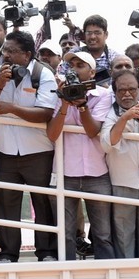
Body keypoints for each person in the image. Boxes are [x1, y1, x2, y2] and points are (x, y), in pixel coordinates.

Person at [0, 30, 60, 263]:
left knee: (42, 203)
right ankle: (7, 253)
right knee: (6, 203)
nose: (7, 55)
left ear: (27, 54)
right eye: (5, 50)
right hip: (5, 151)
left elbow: (45, 113)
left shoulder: (42, 74)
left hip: (38, 151)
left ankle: (46, 252)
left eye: (13, 51)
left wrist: (11, 109)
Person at [46, 50, 115, 260]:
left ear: (92, 71)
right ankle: (66, 276)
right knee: (65, 233)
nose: (74, 69)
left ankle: (107, 275)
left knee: (102, 233)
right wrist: (66, 102)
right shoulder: (59, 94)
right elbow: (52, 134)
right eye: (71, 65)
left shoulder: (104, 95)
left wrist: (83, 104)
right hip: (65, 172)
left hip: (97, 172)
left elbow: (93, 131)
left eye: (80, 65)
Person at [100, 69, 139, 258]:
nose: (127, 94)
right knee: (124, 236)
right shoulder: (111, 113)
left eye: (132, 89)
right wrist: (125, 117)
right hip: (122, 183)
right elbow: (107, 143)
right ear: (115, 92)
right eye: (122, 90)